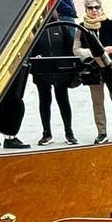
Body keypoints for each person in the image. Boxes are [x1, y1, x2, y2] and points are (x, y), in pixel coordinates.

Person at [74, 0, 112, 144]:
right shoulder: (81, 28)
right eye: (90, 8)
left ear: (101, 7)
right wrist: (92, 52)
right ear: (86, 9)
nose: (94, 11)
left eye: (96, 7)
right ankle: (102, 132)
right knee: (97, 102)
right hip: (93, 69)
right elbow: (76, 50)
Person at [31, 11, 78, 146]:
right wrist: (36, 58)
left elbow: (69, 47)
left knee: (63, 101)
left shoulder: (61, 27)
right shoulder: (35, 29)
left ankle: (69, 133)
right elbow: (30, 49)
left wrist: (69, 68)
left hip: (61, 72)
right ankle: (46, 133)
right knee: (44, 102)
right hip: (42, 73)